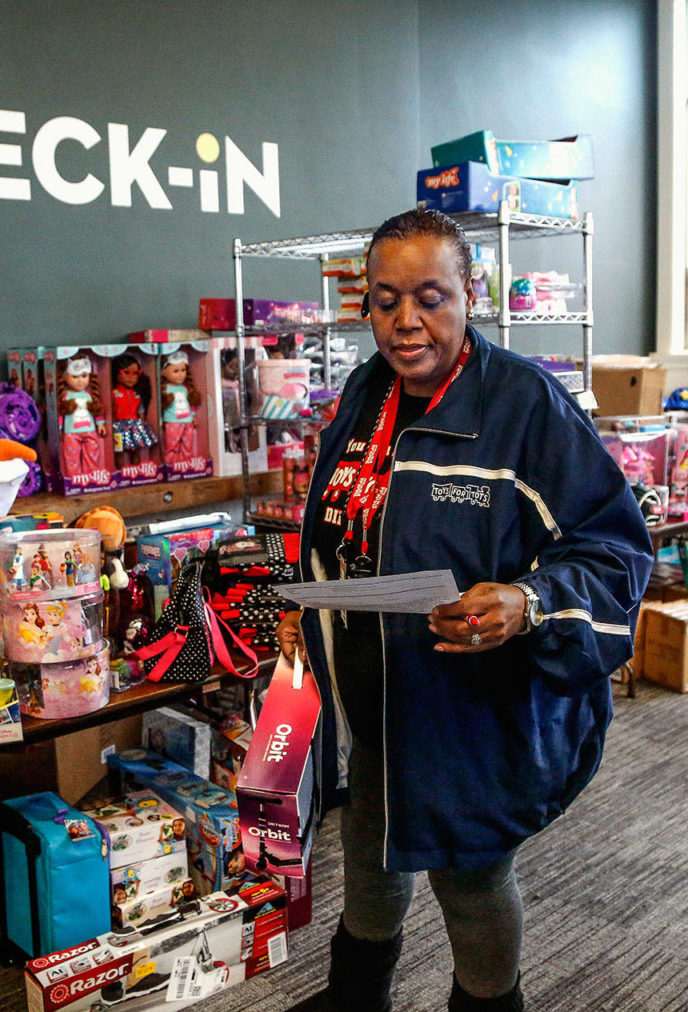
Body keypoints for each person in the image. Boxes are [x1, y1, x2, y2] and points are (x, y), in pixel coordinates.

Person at [282, 208, 653, 1012]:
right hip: (378, 691)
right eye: (384, 300)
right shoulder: (365, 391)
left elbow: (616, 552)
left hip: (475, 707)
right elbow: (349, 522)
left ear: (469, 293)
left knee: (470, 873)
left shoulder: (526, 405)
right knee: (369, 842)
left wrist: (525, 602)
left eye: (429, 296)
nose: (405, 322)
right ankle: (357, 994)